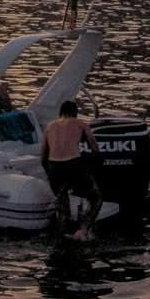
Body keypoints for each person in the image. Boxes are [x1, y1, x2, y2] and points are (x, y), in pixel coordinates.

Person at [41, 99, 104, 240]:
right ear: (75, 113)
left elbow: (43, 158)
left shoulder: (50, 126)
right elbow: (94, 147)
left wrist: (50, 175)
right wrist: (96, 167)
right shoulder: (80, 123)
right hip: (73, 165)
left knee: (63, 206)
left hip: (53, 167)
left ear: (60, 113)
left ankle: (61, 237)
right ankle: (83, 230)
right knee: (97, 197)